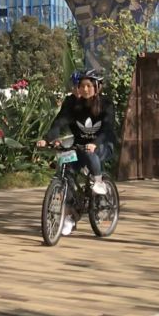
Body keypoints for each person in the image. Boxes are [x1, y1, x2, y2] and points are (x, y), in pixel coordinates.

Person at [37, 69, 116, 236]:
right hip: (79, 146)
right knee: (66, 172)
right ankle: (70, 216)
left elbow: (107, 129)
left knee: (90, 154)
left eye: (88, 86)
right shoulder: (72, 103)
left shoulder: (106, 104)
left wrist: (95, 143)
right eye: (81, 86)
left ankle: (99, 181)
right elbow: (60, 122)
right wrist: (48, 139)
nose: (84, 89)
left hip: (102, 144)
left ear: (97, 87)